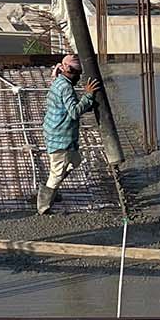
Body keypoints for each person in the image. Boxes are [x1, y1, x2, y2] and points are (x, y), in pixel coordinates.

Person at [37, 54, 100, 214]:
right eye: (78, 74)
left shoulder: (59, 81)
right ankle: (43, 205)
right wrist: (88, 95)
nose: (79, 78)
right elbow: (74, 112)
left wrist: (87, 103)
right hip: (61, 137)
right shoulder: (66, 87)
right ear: (71, 71)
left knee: (75, 161)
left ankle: (51, 190)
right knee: (57, 172)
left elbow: (68, 107)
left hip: (54, 131)